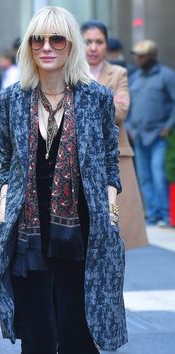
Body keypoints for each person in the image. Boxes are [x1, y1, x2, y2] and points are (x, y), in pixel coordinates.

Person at [0, 6, 127, 354]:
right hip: (28, 235)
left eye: (57, 39)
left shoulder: (95, 97)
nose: (46, 47)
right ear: (28, 46)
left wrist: (110, 220)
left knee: (77, 333)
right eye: (37, 39)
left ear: (71, 46)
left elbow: (111, 164)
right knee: (36, 334)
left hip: (82, 232)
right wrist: (3, 212)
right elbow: (5, 163)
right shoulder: (12, 99)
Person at [81, 19, 147, 249]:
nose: (93, 47)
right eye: (87, 41)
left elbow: (121, 112)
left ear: (106, 45)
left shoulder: (118, 72)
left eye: (99, 42)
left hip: (115, 157)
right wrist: (106, 99)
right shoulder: (72, 72)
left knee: (116, 232)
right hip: (79, 159)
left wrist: (85, 106)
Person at [127, 39, 175, 226]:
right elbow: (128, 105)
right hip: (139, 135)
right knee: (145, 176)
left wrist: (169, 126)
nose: (138, 58)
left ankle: (164, 214)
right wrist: (129, 126)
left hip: (158, 135)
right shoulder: (134, 77)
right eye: (137, 55)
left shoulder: (167, 76)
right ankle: (152, 213)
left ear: (152, 56)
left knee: (158, 174)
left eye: (142, 55)